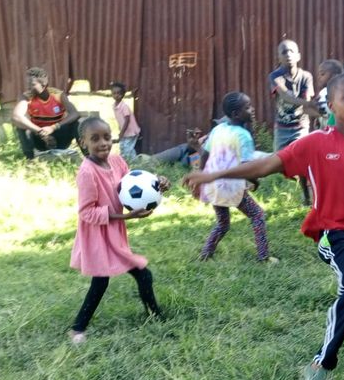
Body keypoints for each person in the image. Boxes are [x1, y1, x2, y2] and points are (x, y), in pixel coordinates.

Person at [184, 73, 344, 380]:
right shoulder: (314, 144)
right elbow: (263, 166)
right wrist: (213, 174)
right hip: (338, 236)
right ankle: (321, 364)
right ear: (331, 105)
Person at [68, 116, 168, 344]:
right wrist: (125, 216)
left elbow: (131, 185)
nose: (103, 143)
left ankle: (155, 315)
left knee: (142, 274)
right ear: (83, 143)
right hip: (97, 236)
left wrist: (157, 183)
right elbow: (86, 212)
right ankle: (77, 329)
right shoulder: (87, 172)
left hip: (114, 234)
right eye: (95, 139)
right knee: (102, 281)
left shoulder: (117, 161)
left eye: (106, 137)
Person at [185, 92, 275, 263]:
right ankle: (263, 257)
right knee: (257, 216)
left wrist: (202, 178)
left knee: (223, 224)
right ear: (236, 114)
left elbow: (205, 156)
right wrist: (255, 181)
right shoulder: (243, 136)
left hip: (213, 186)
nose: (252, 109)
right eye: (247, 107)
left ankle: (205, 255)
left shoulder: (218, 129)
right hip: (231, 186)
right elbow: (247, 167)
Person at [268, 39, 315, 204]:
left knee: (301, 158)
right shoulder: (275, 76)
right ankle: (296, 175)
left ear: (298, 56)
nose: (288, 54)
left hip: (300, 126)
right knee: (279, 163)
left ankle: (306, 196)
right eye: (284, 52)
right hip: (282, 127)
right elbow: (285, 95)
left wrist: (312, 107)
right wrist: (309, 104)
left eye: (291, 51)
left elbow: (307, 99)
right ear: (278, 57)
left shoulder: (306, 77)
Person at [12, 67, 80, 160]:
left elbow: (75, 114)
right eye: (27, 84)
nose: (28, 88)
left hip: (60, 136)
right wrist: (40, 132)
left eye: (32, 84)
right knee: (21, 126)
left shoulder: (58, 95)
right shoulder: (26, 97)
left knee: (76, 123)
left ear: (43, 85)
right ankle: (30, 159)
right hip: (40, 138)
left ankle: (89, 157)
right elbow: (16, 116)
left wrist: (53, 127)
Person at [304, 58, 344, 127]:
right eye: (318, 74)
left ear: (334, 76)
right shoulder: (323, 92)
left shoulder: (340, 93)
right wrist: (319, 114)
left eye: (322, 74)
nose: (318, 77)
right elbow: (307, 109)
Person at [110, 81, 141, 162]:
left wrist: (122, 132)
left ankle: (134, 162)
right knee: (123, 147)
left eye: (119, 93)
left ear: (123, 95)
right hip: (124, 132)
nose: (116, 95)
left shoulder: (124, 106)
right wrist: (121, 131)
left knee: (128, 148)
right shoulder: (114, 106)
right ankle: (124, 162)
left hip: (130, 132)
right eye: (114, 93)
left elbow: (127, 120)